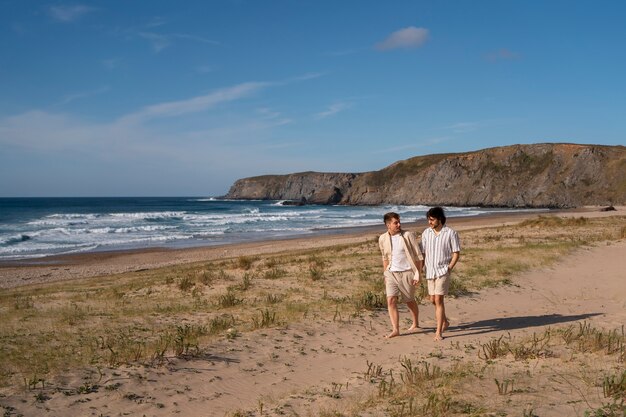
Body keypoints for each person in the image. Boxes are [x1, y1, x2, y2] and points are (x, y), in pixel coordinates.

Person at [378, 212, 423, 339]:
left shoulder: (408, 235)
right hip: (391, 273)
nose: (399, 224)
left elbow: (418, 256)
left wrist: (418, 274)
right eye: (395, 222)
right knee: (391, 300)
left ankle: (415, 323)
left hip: (407, 272)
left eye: (399, 222)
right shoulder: (382, 238)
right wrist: (385, 274)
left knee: (409, 300)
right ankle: (395, 329)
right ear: (388, 225)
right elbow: (384, 257)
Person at [420, 207, 461, 341]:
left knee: (438, 299)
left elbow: (456, 253)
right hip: (429, 271)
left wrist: (449, 267)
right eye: (428, 219)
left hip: (443, 270)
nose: (429, 222)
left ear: (439, 219)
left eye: (432, 220)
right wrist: (420, 268)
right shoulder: (426, 233)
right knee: (432, 299)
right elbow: (423, 253)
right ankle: (446, 321)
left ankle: (439, 331)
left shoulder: (450, 233)